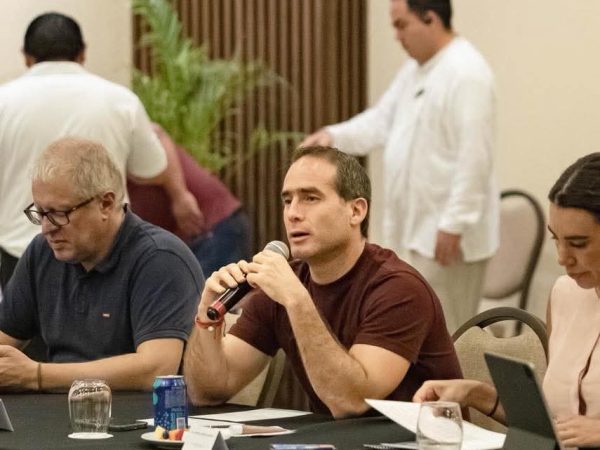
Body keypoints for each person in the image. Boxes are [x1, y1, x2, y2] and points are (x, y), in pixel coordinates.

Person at [184, 146, 461, 418]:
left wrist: (297, 301)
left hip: (417, 439)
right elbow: (207, 392)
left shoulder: (399, 289)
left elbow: (350, 402)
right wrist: (207, 316)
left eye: (310, 198)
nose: (293, 213)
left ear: (356, 211)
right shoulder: (285, 284)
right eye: (287, 200)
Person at [300, 0, 499, 333]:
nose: (396, 35)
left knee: (449, 334)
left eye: (401, 25)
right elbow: (380, 121)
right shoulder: (414, 71)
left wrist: (455, 222)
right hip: (414, 229)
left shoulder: (467, 73)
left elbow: (474, 156)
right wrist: (333, 137)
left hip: (446, 235)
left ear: (430, 19)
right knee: (413, 329)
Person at [0, 12, 203, 291]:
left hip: (18, 253)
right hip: (104, 255)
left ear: (26, 56)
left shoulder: (3, 103)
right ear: (83, 53)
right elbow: (152, 169)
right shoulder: (121, 101)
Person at [413, 153, 600, 448]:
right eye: (556, 239)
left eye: (578, 243)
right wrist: (476, 394)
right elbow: (552, 426)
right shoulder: (565, 295)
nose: (563, 258)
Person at [0, 137, 204, 392]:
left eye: (59, 213)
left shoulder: (161, 259)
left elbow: (157, 369)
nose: (46, 228)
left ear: (106, 204)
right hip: (58, 409)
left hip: (141, 413)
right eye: (40, 213)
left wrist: (37, 375)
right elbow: (4, 341)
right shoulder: (42, 253)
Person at [128, 124, 252, 276]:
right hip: (194, 237)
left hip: (212, 227)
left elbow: (157, 135)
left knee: (213, 291)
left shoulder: (115, 122)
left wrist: (179, 195)